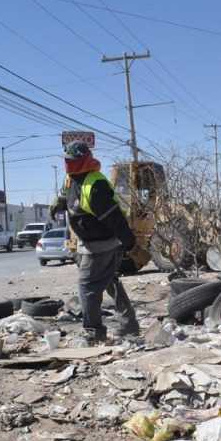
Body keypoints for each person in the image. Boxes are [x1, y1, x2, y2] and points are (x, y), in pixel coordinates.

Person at [51, 141, 139, 341]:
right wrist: (61, 201)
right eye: (66, 160)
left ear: (84, 160)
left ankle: (94, 333)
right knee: (108, 280)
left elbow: (115, 218)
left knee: (87, 286)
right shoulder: (70, 179)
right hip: (86, 243)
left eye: (72, 161)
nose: (68, 164)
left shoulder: (95, 185)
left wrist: (131, 244)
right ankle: (129, 323)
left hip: (102, 244)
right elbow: (72, 199)